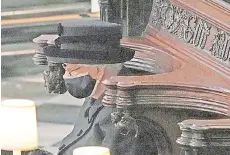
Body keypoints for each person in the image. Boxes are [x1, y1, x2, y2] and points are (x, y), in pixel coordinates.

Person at [30, 20, 158, 155]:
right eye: (66, 68)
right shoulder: (97, 94)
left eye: (75, 70)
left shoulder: (122, 114)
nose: (67, 76)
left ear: (99, 69)